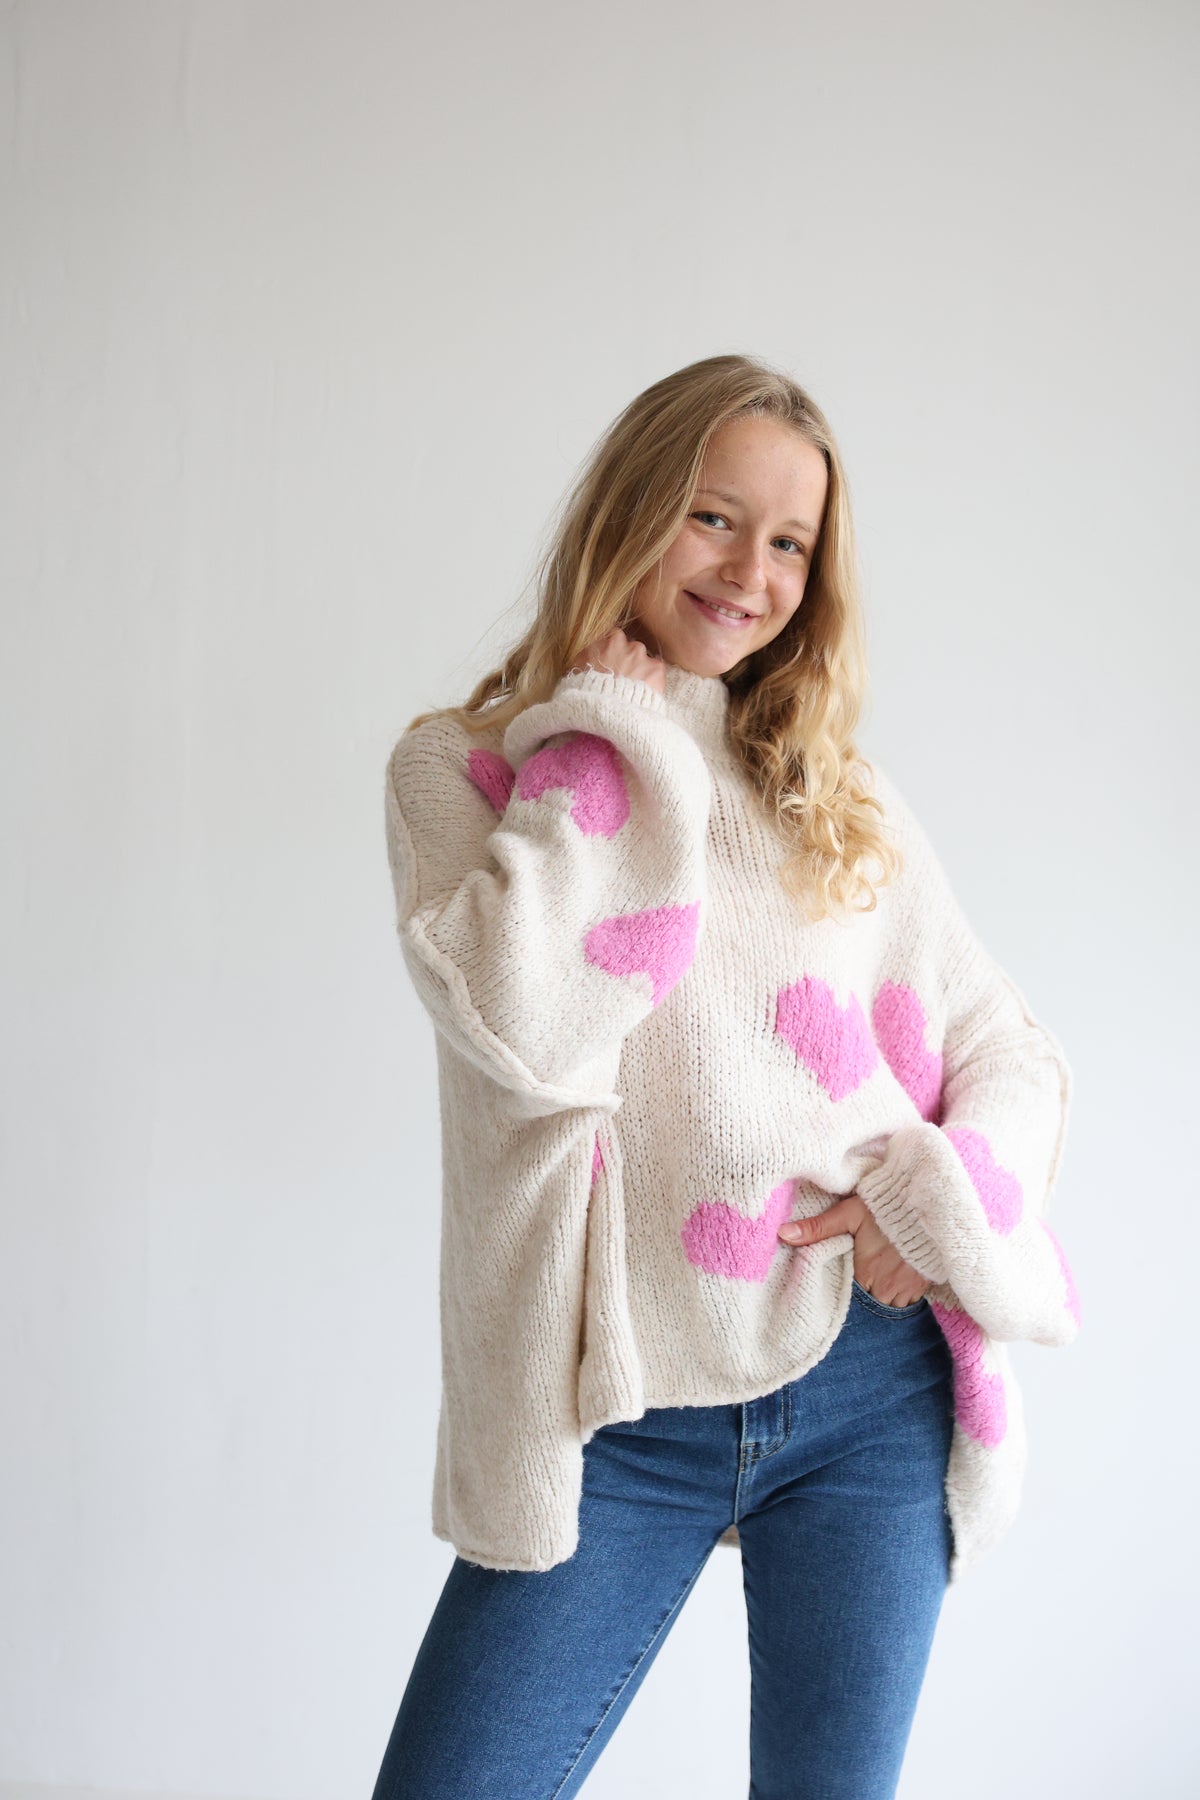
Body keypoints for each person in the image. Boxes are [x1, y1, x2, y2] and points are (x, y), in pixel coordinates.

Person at [371, 353, 1080, 1799]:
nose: (751, 573)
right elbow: (521, 1025)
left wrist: (937, 1203)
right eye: (714, 517)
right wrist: (608, 739)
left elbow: (1012, 1048)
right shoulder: (468, 768)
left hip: (867, 1387)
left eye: (791, 543)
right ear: (633, 509)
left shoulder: (831, 790)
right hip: (615, 1411)